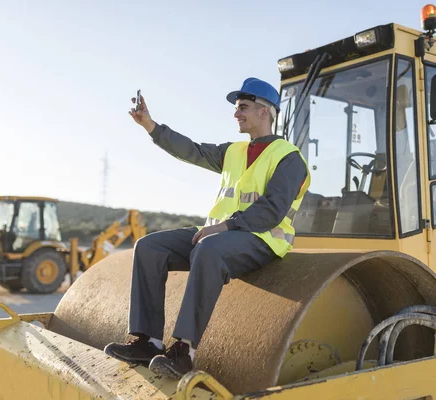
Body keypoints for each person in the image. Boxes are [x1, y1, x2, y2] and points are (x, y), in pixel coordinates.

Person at [103, 77, 311, 380]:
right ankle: (148, 341)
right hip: (221, 235)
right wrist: (150, 125)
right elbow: (192, 150)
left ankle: (184, 352)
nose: (236, 113)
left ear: (265, 111)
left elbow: (271, 211)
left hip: (261, 240)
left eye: (243, 107)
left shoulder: (289, 158)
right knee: (149, 247)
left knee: (208, 247)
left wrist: (225, 227)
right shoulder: (233, 152)